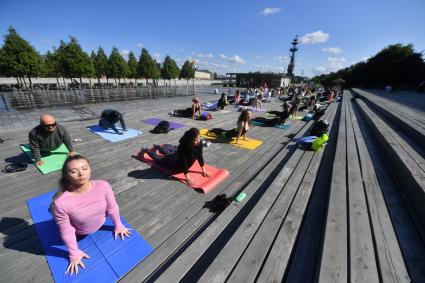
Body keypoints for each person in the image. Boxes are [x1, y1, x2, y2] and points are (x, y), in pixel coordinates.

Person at [51, 155, 131, 275]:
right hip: (80, 233)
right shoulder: (60, 203)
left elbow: (112, 208)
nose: (81, 174)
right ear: (67, 175)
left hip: (101, 223)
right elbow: (67, 231)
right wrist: (74, 253)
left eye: (84, 168)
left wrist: (119, 225)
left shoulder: (103, 185)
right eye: (74, 171)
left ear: (90, 169)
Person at [141, 128, 210, 186]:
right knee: (159, 159)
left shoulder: (199, 143)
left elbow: (200, 156)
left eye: (199, 138)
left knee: (170, 154)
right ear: (190, 140)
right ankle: (146, 149)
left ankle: (157, 146)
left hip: (177, 156)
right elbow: (184, 162)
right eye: (195, 140)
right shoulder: (184, 146)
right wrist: (187, 177)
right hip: (175, 165)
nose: (198, 141)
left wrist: (204, 171)